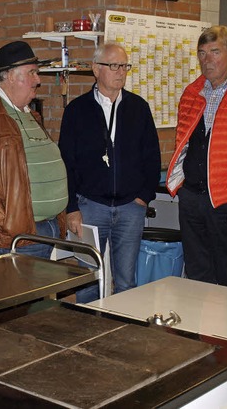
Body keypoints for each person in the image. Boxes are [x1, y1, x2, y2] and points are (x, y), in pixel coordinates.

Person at [59, 42, 161, 303]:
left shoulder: (138, 108)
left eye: (124, 66)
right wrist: (71, 207)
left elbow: (152, 156)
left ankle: (123, 336)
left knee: (127, 281)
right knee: (87, 280)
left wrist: (144, 197)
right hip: (90, 207)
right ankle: (86, 332)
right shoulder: (76, 111)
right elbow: (66, 163)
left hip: (130, 208)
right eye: (114, 65)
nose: (121, 72)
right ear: (96, 69)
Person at [0, 41, 68, 259]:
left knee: (40, 293)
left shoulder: (29, 113)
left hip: (45, 229)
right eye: (32, 73)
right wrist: (6, 219)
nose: (38, 79)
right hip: (13, 236)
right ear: (10, 76)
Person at [166, 26, 227, 289]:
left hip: (226, 202)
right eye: (202, 54)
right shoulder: (191, 93)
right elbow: (183, 143)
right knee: (196, 275)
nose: (207, 60)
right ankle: (199, 331)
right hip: (192, 198)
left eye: (215, 52)